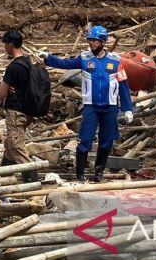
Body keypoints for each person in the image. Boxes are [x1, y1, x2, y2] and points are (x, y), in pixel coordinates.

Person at [37, 26, 133, 182]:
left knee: (106, 141)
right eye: (90, 41)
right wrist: (48, 57)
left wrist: (128, 109)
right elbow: (65, 64)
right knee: (85, 140)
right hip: (91, 107)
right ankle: (80, 174)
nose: (91, 44)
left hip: (110, 107)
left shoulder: (116, 61)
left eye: (94, 41)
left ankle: (99, 172)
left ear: (103, 41)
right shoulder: (85, 58)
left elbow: (123, 85)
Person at [0, 29, 38, 183]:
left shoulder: (14, 67)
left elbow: (2, 92)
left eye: (5, 44)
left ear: (11, 44)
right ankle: (4, 174)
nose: (4, 48)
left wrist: (4, 92)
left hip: (16, 111)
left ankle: (31, 177)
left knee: (16, 145)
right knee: (10, 143)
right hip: (28, 111)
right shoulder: (28, 63)